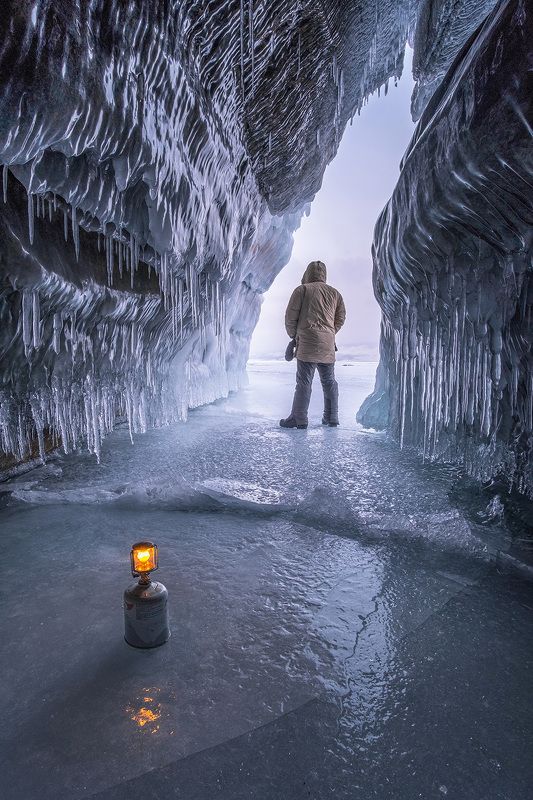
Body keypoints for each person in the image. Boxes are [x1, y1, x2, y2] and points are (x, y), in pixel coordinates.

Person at [280, 260, 346, 429]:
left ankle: (299, 418)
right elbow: (341, 317)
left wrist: (294, 336)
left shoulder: (302, 290)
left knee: (304, 381)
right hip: (328, 344)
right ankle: (332, 417)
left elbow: (290, 316)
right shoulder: (335, 293)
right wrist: (330, 332)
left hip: (307, 342)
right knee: (329, 381)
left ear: (307, 273)